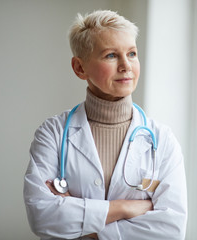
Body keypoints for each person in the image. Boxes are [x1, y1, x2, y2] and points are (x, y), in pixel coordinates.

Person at [23, 10, 187, 240]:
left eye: (131, 53)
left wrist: (85, 230)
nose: (126, 65)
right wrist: (123, 208)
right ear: (80, 68)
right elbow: (42, 216)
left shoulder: (163, 140)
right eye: (111, 55)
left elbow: (171, 230)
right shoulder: (52, 133)